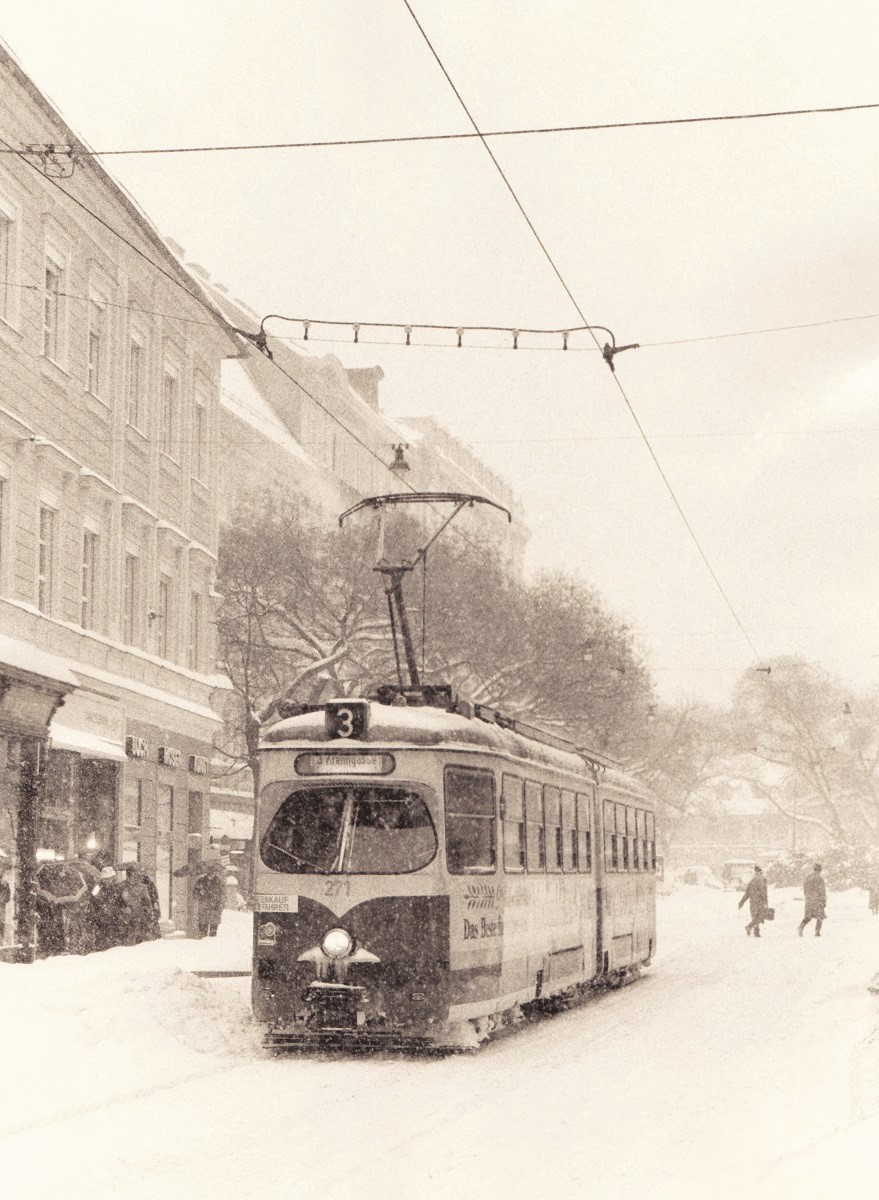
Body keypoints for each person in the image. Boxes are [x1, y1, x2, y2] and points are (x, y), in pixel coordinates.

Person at [90, 866, 128, 950]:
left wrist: (123, 907)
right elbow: (92, 901)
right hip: (102, 918)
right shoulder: (98, 888)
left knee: (113, 940)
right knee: (104, 940)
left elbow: (120, 901)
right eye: (110, 878)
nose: (112, 880)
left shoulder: (115, 888)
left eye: (112, 878)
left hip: (113, 917)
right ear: (104, 879)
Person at [192, 862, 225, 937]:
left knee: (213, 932)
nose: (212, 874)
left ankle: (211, 941)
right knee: (202, 931)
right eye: (210, 872)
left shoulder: (219, 882)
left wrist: (221, 904)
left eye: (214, 872)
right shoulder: (201, 881)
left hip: (215, 908)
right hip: (204, 908)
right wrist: (199, 893)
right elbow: (195, 893)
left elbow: (223, 895)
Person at [738, 865, 769, 936]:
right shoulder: (762, 880)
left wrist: (741, 902)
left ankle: (756, 932)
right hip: (759, 902)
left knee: (755, 917)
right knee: (758, 918)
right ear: (760, 872)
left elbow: (747, 894)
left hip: (753, 903)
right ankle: (750, 928)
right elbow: (764, 893)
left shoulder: (752, 881)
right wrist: (766, 902)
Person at [799, 862, 827, 936]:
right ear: (819, 870)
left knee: (808, 917)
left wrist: (808, 897)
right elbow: (822, 891)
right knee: (820, 917)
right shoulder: (820, 879)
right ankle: (817, 932)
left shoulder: (808, 878)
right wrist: (823, 901)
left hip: (809, 901)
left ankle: (801, 927)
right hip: (817, 901)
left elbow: (805, 889)